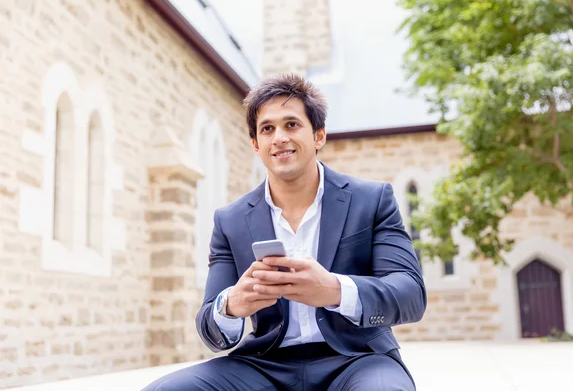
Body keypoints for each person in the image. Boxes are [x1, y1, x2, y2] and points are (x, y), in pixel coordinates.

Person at [142, 73, 426, 391]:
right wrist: (232, 304)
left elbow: (410, 295)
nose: (279, 137)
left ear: (318, 136)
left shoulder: (372, 200)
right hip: (265, 363)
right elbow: (210, 327)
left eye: (291, 124)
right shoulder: (230, 221)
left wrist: (334, 290)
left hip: (358, 358)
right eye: (267, 129)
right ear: (256, 145)